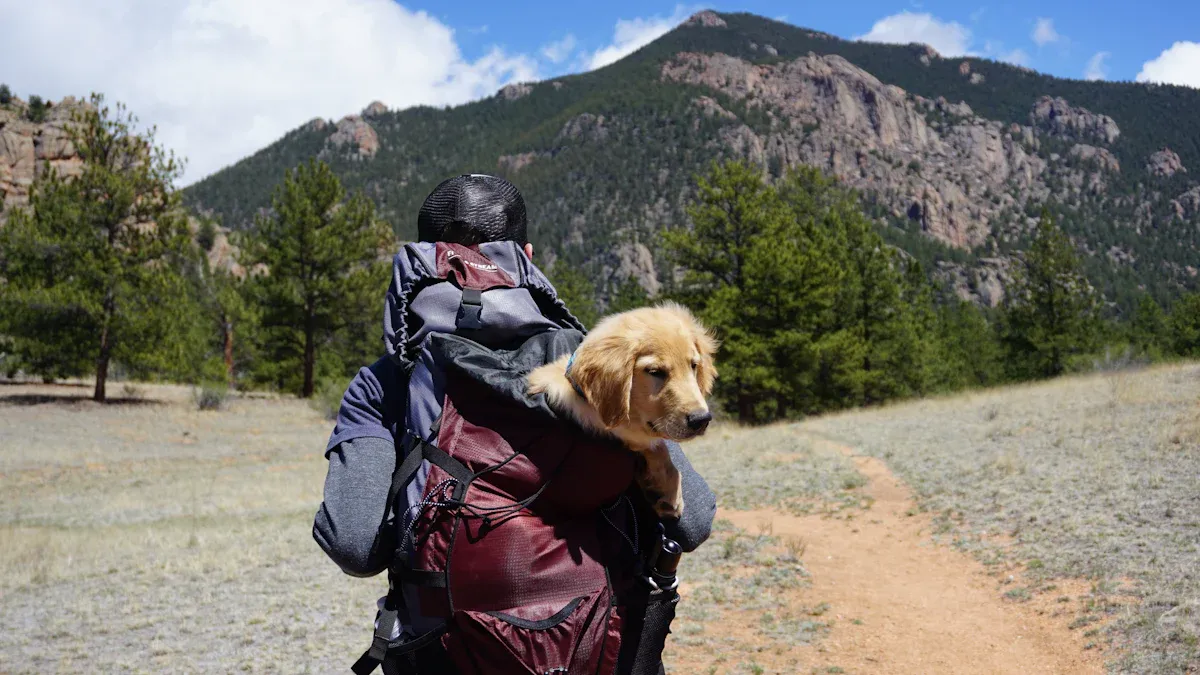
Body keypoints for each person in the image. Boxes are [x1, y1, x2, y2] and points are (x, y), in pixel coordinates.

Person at [313, 174, 716, 675]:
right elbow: (693, 522)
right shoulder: (590, 362)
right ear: (526, 255)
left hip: (448, 653)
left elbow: (355, 547)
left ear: (425, 257)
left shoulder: (384, 382)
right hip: (596, 649)